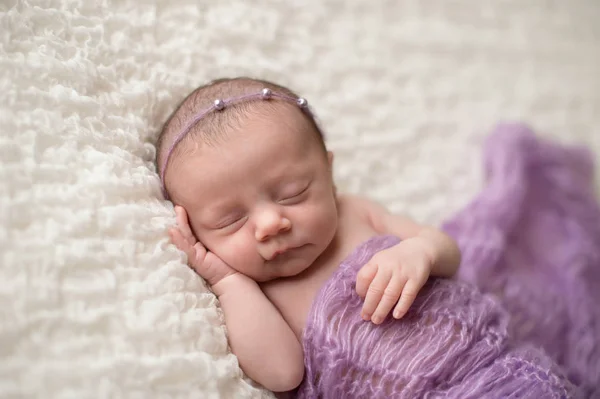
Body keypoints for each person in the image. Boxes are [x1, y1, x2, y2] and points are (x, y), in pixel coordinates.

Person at [156, 77, 461, 393]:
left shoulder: (355, 212)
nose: (270, 223)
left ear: (328, 175)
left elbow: (450, 255)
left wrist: (420, 251)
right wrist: (226, 282)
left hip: (483, 363)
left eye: (293, 193)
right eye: (230, 220)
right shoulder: (256, 293)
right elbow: (282, 374)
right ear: (196, 231)